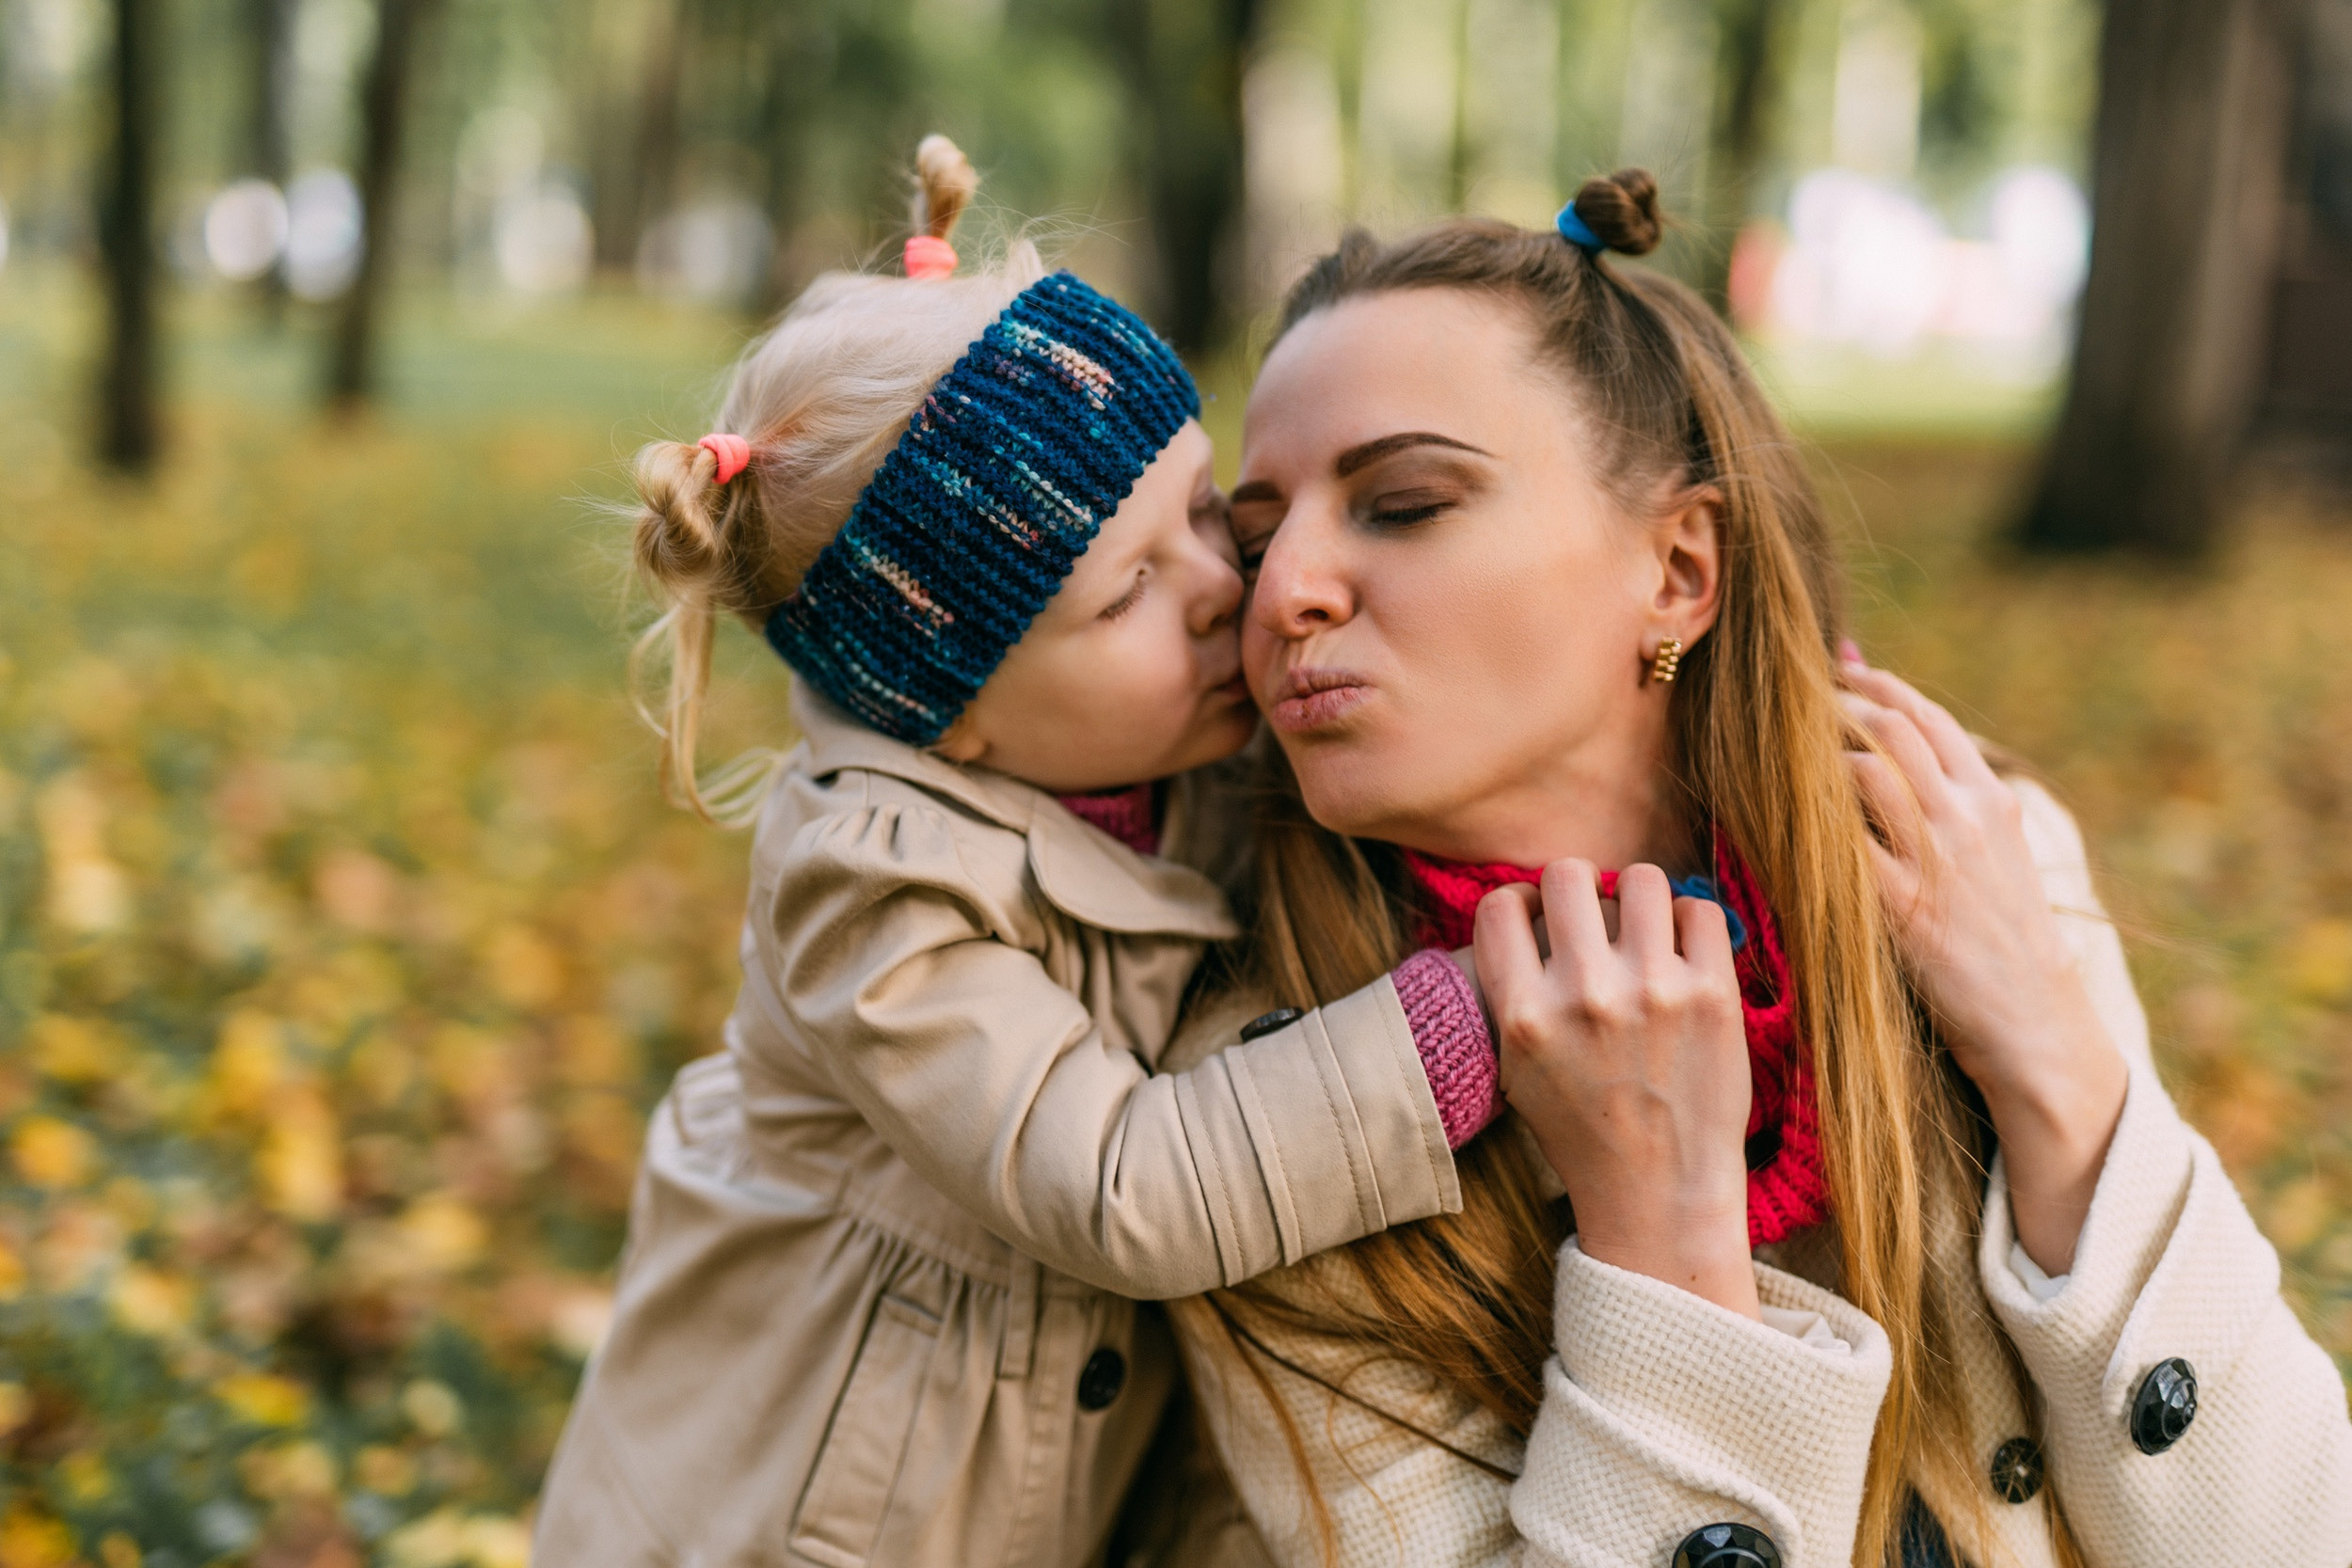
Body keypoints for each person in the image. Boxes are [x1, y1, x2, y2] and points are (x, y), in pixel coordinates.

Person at [1141, 172, 2352, 1565]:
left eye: (1401, 504)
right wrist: (1667, 1243)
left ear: (1676, 569)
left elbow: (2289, 1534)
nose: (1284, 589)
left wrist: (2055, 1064)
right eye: (1256, 534)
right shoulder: (1258, 1130)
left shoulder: (1975, 870)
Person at [531, 136, 1505, 1568]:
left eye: (1197, 509)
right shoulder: (870, 888)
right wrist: (1469, 1027)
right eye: (1124, 597)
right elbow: (1120, 1183)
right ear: (953, 720)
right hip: (792, 1523)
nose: (1222, 585)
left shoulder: (1173, 737)